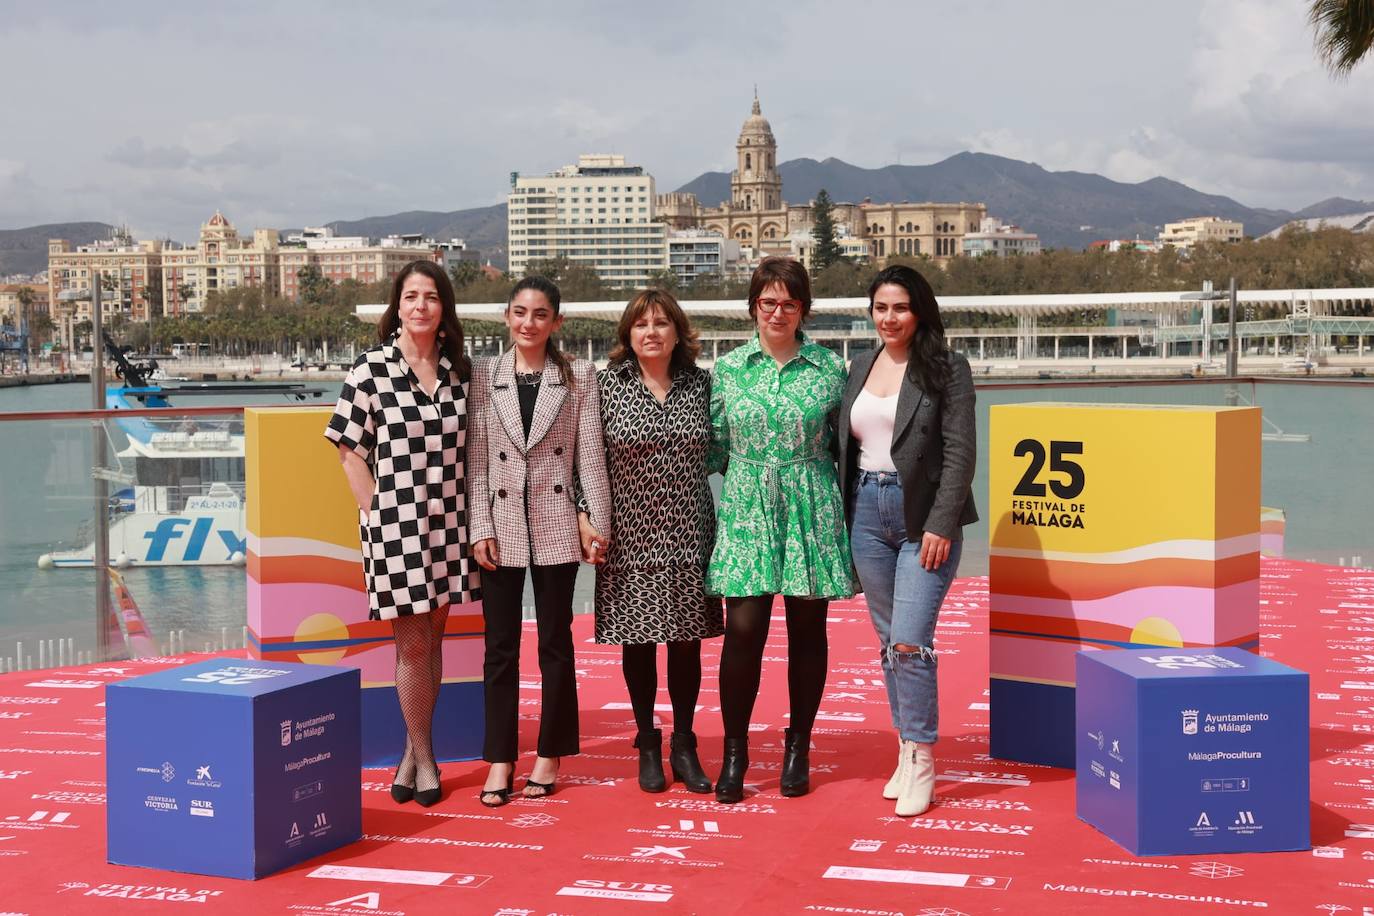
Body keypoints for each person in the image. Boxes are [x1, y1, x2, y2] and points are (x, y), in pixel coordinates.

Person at [324, 259, 478, 808]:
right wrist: (376, 515)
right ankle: (427, 755)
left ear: (444, 308)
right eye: (411, 296)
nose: (421, 306)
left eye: (431, 297)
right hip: (396, 527)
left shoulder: (462, 371)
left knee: (433, 638)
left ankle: (412, 756)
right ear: (398, 305)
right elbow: (349, 451)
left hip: (450, 523)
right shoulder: (370, 369)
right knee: (411, 644)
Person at [707, 256, 852, 804]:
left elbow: (848, 447)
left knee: (807, 633)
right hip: (746, 507)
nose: (778, 312)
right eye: (768, 302)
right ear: (752, 307)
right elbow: (713, 446)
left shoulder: (829, 370)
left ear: (804, 310)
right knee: (742, 631)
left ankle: (799, 746)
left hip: (810, 507)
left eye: (789, 303)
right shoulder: (728, 370)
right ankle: (736, 752)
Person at [467, 275, 612, 806]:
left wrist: (597, 519)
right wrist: (478, 526)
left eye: (541, 314)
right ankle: (501, 760)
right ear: (507, 317)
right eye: (520, 313)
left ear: (557, 322)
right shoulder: (484, 377)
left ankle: (550, 755)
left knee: (555, 643)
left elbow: (589, 455)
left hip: (556, 524)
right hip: (500, 529)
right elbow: (476, 460)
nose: (529, 323)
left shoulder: (578, 377)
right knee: (499, 649)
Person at [838, 264, 977, 817]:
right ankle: (904, 746)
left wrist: (942, 523)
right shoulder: (859, 365)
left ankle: (922, 756)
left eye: (899, 307)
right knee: (888, 642)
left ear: (919, 309)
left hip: (923, 516)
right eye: (880, 308)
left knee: (910, 642)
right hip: (866, 513)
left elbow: (960, 452)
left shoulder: (946, 367)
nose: (889, 318)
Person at [583, 289, 721, 794]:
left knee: (686, 644)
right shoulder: (606, 387)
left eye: (662, 323)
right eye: (641, 325)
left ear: (678, 332)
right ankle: (646, 741)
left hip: (690, 529)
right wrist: (584, 515)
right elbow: (586, 457)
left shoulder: (703, 386)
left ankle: (684, 743)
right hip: (628, 533)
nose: (652, 333)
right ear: (628, 335)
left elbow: (727, 449)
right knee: (637, 640)